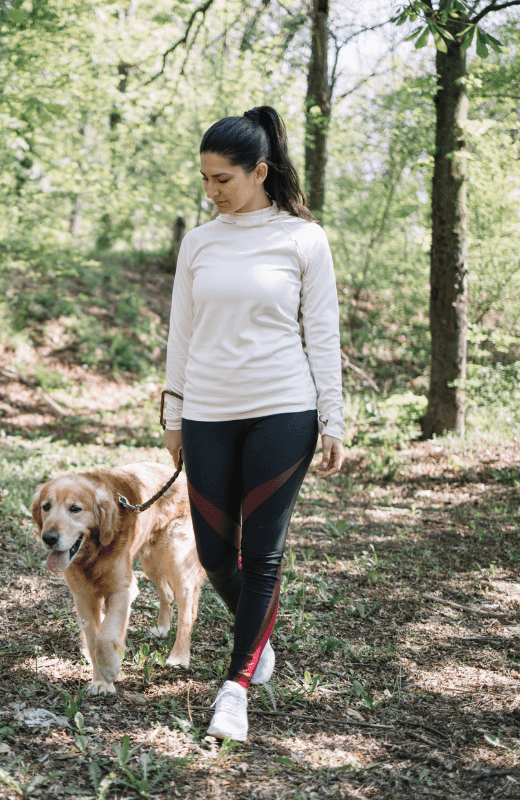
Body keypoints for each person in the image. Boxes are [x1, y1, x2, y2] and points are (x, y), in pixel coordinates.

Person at [161, 105, 345, 742]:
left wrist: (334, 419)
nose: (210, 192)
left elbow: (322, 334)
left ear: (259, 172)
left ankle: (234, 688)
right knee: (215, 554)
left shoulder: (302, 238)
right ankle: (257, 637)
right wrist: (173, 413)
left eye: (222, 180)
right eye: (205, 179)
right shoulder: (199, 241)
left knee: (262, 555)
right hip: (207, 411)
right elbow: (180, 333)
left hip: (283, 411)